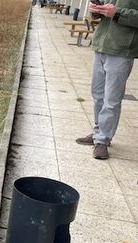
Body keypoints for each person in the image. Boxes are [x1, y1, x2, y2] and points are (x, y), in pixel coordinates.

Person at [76, 0, 138, 159]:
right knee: (97, 95)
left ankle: (103, 141)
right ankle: (98, 133)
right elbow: (102, 11)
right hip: (100, 46)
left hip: (122, 50)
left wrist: (117, 13)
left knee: (112, 99)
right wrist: (96, 10)